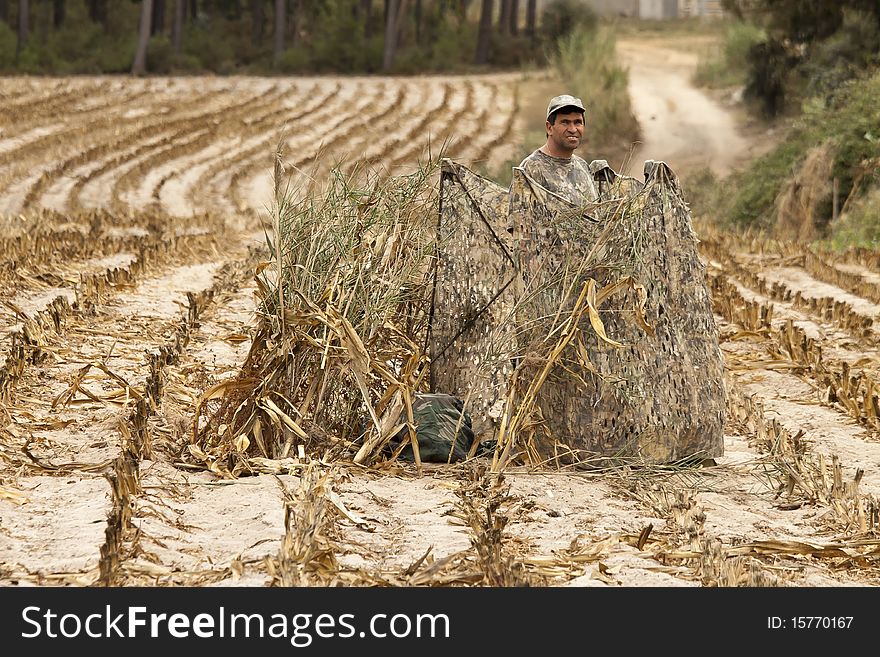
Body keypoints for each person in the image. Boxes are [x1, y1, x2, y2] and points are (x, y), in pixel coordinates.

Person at [518, 94, 599, 205]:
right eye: (565, 122)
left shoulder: (583, 166)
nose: (572, 129)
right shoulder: (530, 169)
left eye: (577, 122)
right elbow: (519, 221)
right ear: (549, 127)